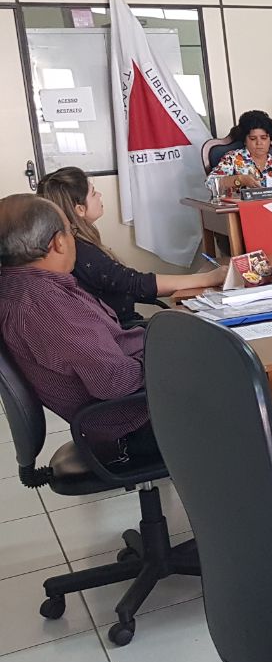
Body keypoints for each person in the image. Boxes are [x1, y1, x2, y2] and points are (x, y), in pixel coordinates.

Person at [0, 195, 158, 463]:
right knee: (233, 380)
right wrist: (167, 360)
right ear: (58, 243)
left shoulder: (23, 286)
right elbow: (114, 381)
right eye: (70, 231)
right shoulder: (43, 305)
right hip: (134, 423)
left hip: (134, 406)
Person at [37, 167, 226, 328]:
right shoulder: (81, 252)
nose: (99, 195)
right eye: (93, 193)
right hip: (124, 334)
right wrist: (207, 278)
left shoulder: (75, 244)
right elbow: (136, 283)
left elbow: (128, 283)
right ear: (80, 209)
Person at [205, 109, 272, 196]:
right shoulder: (232, 158)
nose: (259, 143)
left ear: (270, 139)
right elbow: (210, 183)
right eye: (253, 139)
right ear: (244, 140)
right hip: (241, 205)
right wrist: (239, 180)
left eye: (264, 138)